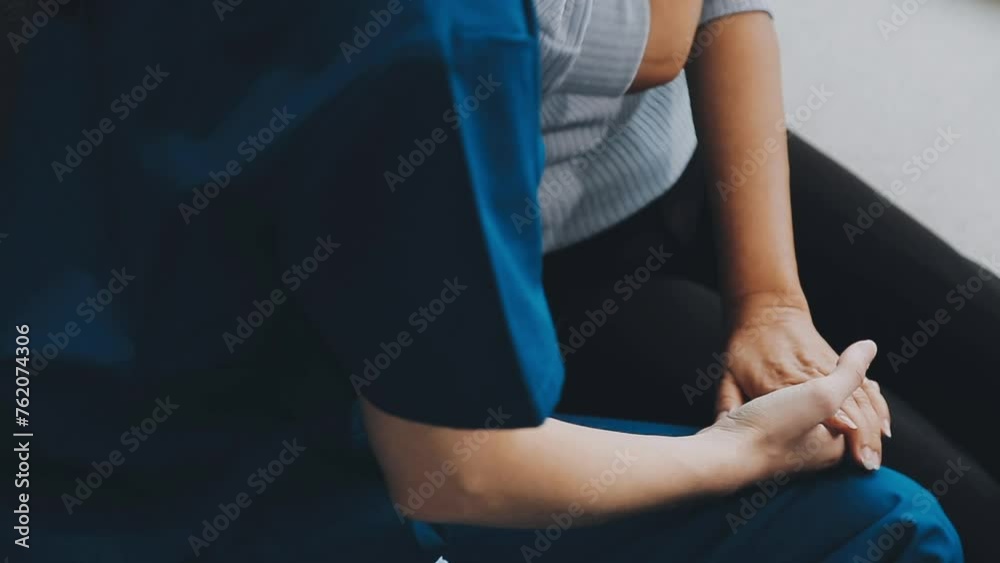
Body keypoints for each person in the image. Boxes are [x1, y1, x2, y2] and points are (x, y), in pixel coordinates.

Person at [0, 1, 962, 562]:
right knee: (894, 515)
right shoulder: (449, 38)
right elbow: (449, 468)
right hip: (140, 470)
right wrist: (738, 452)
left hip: (100, 364)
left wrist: (771, 299)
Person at [532, 0, 1000, 559]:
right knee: (947, 505)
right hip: (539, 268)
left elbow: (718, 11)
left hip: (697, 145)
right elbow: (654, 42)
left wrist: (771, 301)